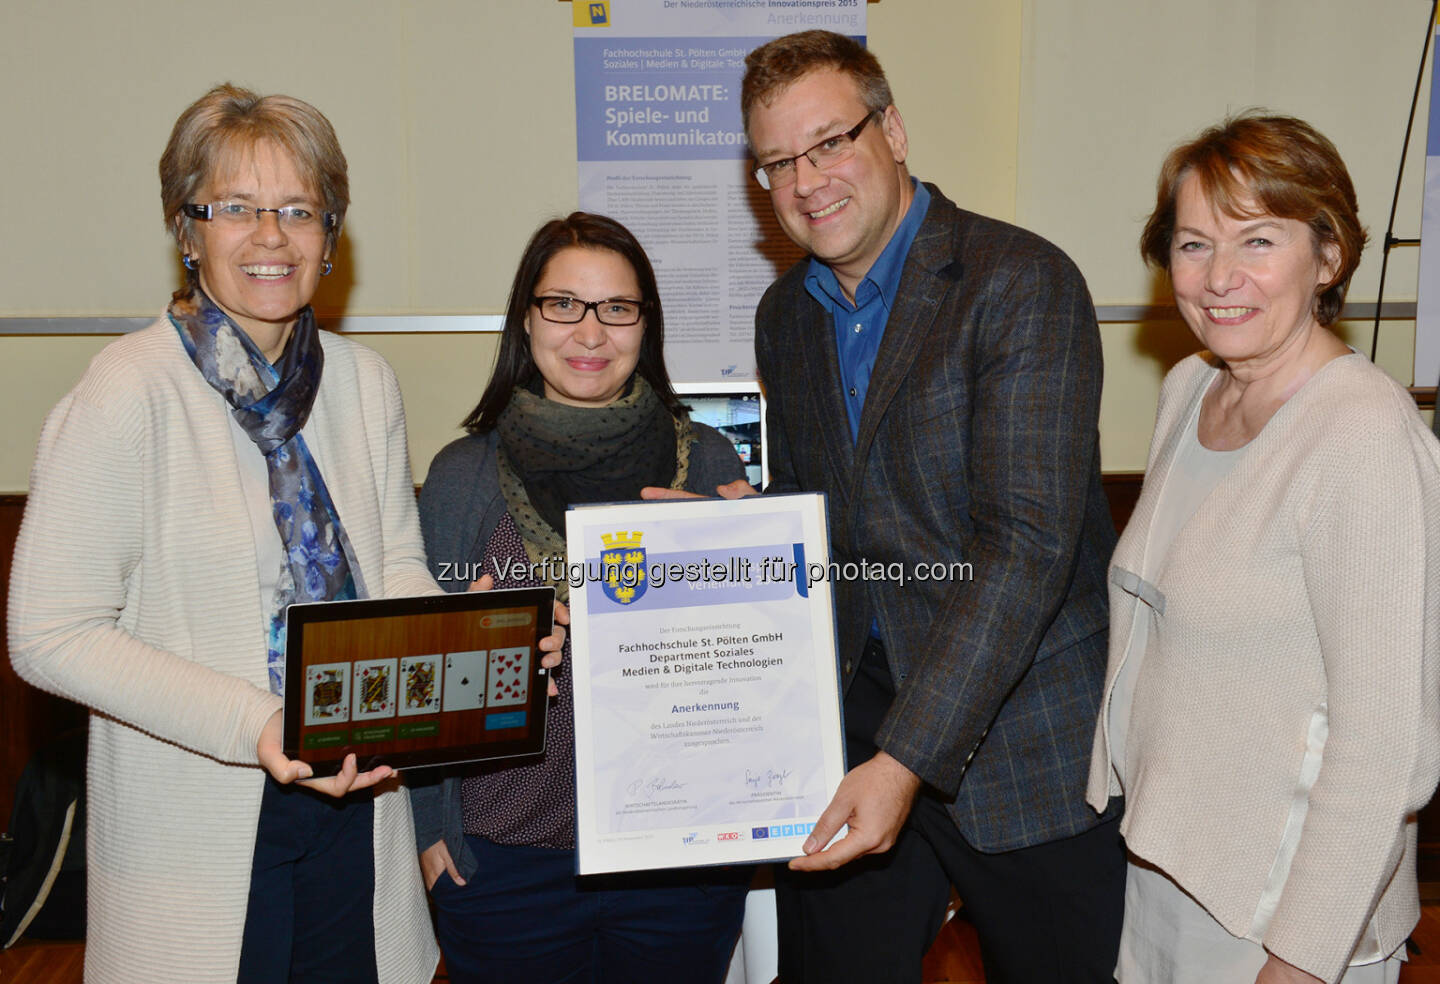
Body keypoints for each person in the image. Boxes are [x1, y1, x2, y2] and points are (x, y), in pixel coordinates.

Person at [5, 84, 565, 984]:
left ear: (330, 237)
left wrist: (474, 634)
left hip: (358, 809)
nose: (272, 235)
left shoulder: (361, 382)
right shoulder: (125, 393)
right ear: (187, 231)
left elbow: (390, 568)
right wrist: (259, 720)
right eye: (236, 208)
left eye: (299, 210)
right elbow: (48, 634)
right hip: (202, 833)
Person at [733, 28, 1125, 984]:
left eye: (830, 142)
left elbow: (1028, 546)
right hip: (858, 719)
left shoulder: (1021, 282)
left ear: (894, 131)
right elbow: (832, 512)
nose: (806, 180)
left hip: (1025, 738)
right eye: (778, 161)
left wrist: (904, 761)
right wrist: (728, 527)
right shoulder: (785, 314)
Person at [1086, 113, 1440, 984]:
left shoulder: (1361, 436)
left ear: (1328, 258)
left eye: (1258, 240)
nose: (1219, 277)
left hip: (1284, 910)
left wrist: (1302, 959)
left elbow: (1387, 748)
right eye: (1194, 243)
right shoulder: (1190, 387)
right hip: (1167, 868)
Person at [408, 211, 752, 984]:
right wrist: (432, 834)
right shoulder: (463, 476)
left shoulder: (709, 462)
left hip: (681, 861)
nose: (590, 332)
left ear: (645, 324)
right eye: (563, 304)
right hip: (501, 863)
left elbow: (765, 661)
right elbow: (421, 671)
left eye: (617, 308)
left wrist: (748, 566)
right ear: (525, 320)